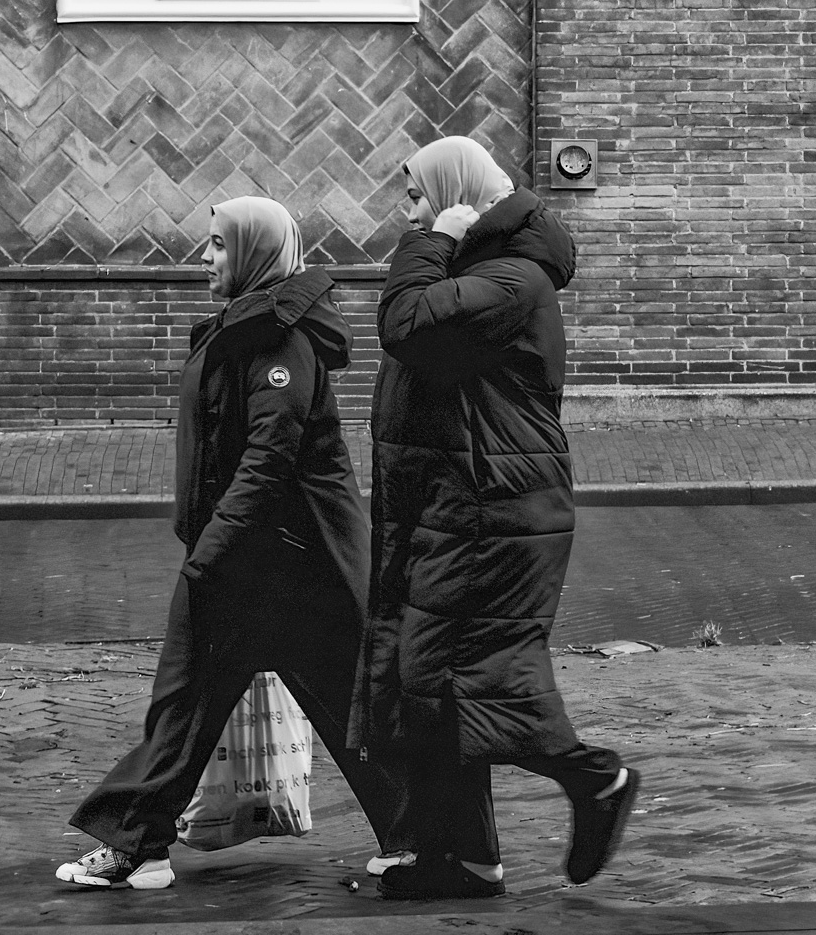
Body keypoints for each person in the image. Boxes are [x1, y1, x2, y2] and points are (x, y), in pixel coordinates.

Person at [58, 196, 405, 890]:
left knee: (318, 707)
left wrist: (208, 554)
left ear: (252, 253)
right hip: (253, 560)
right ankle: (139, 847)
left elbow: (269, 462)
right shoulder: (247, 326)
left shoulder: (280, 343)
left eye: (219, 244)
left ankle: (422, 839)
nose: (206, 256)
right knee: (192, 709)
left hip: (286, 569)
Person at [351, 135, 641, 900]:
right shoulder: (476, 274)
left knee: (466, 680)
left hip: (493, 514)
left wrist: (431, 241)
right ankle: (466, 859)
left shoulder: (510, 280)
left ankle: (596, 779)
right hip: (457, 507)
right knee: (428, 683)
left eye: (419, 196)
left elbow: (406, 325)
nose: (409, 214)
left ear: (457, 195)